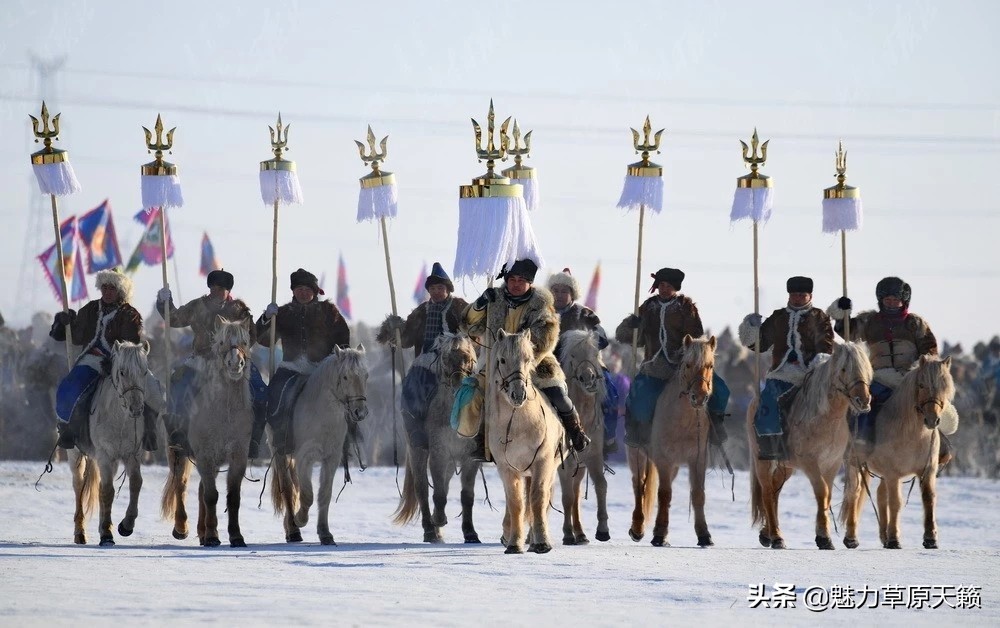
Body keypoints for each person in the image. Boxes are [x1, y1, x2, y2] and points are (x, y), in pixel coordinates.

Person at [458, 259, 591, 461]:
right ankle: (477, 442)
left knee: (557, 395)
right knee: (471, 394)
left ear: (530, 282)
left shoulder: (541, 305)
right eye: (512, 279)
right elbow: (469, 327)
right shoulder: (494, 301)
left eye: (521, 280)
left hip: (534, 364)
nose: (516, 284)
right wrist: (480, 304)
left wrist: (521, 357)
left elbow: (546, 337)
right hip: (497, 366)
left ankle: (575, 433)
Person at [157, 269, 267, 457]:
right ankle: (179, 437)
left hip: (235, 361)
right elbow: (174, 318)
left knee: (262, 393)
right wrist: (164, 303)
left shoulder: (239, 310)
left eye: (220, 289)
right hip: (202, 360)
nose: (216, 292)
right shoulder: (197, 306)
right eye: (213, 288)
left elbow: (252, 336)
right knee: (178, 387)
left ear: (228, 290)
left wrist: (265, 320)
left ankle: (254, 439)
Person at [615, 267, 730, 448]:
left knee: (721, 390)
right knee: (637, 395)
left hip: (685, 367)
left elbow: (697, 339)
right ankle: (637, 431)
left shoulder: (686, 307)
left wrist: (687, 356)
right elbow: (624, 336)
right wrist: (631, 325)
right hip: (654, 367)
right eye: (661, 285)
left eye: (669, 285)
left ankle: (716, 426)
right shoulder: (647, 307)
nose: (665, 289)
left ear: (676, 287)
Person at [829, 276, 943, 455]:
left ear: (903, 301)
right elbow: (846, 331)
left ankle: (939, 446)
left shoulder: (916, 324)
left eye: (895, 300)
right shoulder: (869, 321)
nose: (891, 304)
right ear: (881, 300)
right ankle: (861, 441)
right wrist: (841, 313)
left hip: (910, 379)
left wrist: (922, 370)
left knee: (931, 403)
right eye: (887, 300)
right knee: (865, 404)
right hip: (880, 377)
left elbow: (930, 351)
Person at [51, 268, 162, 451]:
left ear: (120, 290)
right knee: (68, 388)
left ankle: (149, 433)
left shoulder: (130, 314)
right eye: (105, 287)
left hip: (124, 363)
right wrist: (63, 324)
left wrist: (115, 362)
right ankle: (68, 429)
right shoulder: (90, 309)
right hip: (92, 359)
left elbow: (132, 345)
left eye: (112, 288)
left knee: (155, 392)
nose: (108, 292)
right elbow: (76, 337)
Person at [255, 268, 351, 455]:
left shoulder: (328, 311)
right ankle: (282, 438)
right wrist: (266, 319)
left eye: (307, 289)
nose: (303, 293)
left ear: (315, 291)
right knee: (275, 395)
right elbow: (263, 340)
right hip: (291, 367)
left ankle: (345, 442)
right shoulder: (282, 313)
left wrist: (338, 360)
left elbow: (343, 337)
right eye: (299, 289)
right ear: (293, 291)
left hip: (321, 369)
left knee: (347, 398)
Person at [739, 276, 834, 460]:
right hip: (782, 374)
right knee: (767, 398)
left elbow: (826, 347)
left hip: (811, 374)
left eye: (802, 295)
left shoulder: (819, 317)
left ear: (810, 296)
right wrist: (751, 328)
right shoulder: (778, 317)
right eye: (794, 294)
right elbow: (759, 346)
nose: (797, 298)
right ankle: (771, 443)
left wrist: (816, 366)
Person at [377, 262, 469, 450]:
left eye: (440, 288)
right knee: (411, 391)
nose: (436, 292)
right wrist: (394, 330)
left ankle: (473, 431)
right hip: (425, 361)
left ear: (448, 289)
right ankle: (416, 430)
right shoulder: (421, 311)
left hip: (456, 361)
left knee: (471, 392)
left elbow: (473, 330)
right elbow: (408, 339)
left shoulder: (460, 307)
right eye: (433, 288)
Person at [546, 268, 619, 453]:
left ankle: (607, 438)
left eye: (565, 291)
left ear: (572, 294)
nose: (560, 295)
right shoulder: (543, 313)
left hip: (584, 367)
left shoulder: (583, 314)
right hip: (550, 367)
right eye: (556, 291)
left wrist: (588, 339)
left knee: (610, 391)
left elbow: (601, 338)